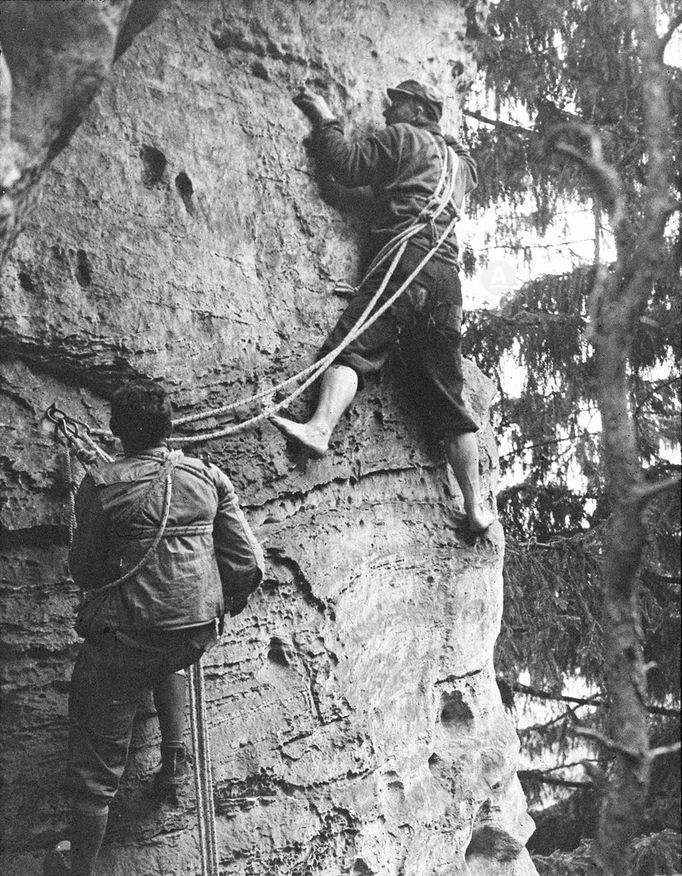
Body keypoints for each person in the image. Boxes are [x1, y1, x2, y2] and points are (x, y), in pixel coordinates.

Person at [45, 380, 264, 876]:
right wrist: (215, 605)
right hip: (193, 633)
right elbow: (248, 563)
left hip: (127, 643)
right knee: (166, 651)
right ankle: (175, 761)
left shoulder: (100, 484)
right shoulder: (208, 477)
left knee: (95, 763)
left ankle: (77, 868)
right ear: (169, 426)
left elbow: (85, 571)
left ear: (118, 431)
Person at [271, 80, 495, 533]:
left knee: (352, 346)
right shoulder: (462, 168)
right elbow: (462, 155)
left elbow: (347, 166)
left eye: (397, 105)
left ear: (416, 110)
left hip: (403, 261)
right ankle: (475, 507)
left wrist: (324, 118)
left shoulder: (401, 138)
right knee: (450, 398)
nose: (388, 111)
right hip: (446, 282)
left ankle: (319, 428)